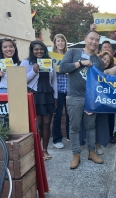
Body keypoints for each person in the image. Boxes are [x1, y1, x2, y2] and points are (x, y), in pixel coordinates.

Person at [60, 30, 105, 169]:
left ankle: (91, 152)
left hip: (90, 99)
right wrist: (81, 63)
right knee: (74, 127)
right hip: (74, 96)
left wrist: (95, 100)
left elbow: (99, 82)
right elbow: (62, 67)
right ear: (85, 39)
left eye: (97, 40)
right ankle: (76, 154)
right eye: (91, 39)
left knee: (91, 126)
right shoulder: (73, 52)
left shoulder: (99, 61)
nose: (94, 42)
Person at [21, 40, 57, 160]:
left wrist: (55, 97)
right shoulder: (26, 62)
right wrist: (33, 71)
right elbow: (22, 80)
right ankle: (37, 150)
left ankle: (45, 150)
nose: (39, 51)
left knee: (47, 124)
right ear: (32, 51)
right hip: (35, 94)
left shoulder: (50, 62)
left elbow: (54, 80)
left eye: (41, 49)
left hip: (48, 94)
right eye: (36, 49)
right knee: (38, 124)